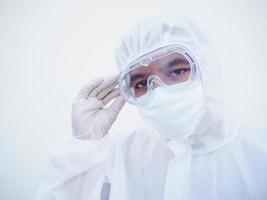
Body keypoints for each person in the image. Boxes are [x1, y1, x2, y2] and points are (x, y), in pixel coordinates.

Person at [36, 16, 267, 200]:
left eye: (177, 71)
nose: (158, 91)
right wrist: (83, 148)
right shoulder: (120, 156)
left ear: (207, 68)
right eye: (140, 83)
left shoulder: (260, 155)